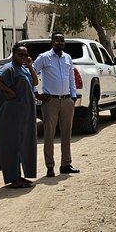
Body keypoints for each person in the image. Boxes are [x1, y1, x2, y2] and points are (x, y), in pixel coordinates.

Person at [0, 45, 39, 188]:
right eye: (20, 55)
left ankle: (20, 176)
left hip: (24, 114)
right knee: (12, 145)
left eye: (25, 55)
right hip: (12, 114)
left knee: (23, 144)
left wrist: (30, 67)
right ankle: (13, 178)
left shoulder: (23, 68)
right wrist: (8, 90)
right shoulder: (9, 68)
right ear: (13, 54)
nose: (23, 58)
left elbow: (35, 82)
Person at [33, 33, 79, 178]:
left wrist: (73, 95)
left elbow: (71, 77)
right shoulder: (44, 57)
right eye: (57, 40)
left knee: (66, 133)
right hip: (50, 101)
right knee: (49, 134)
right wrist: (37, 94)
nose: (59, 42)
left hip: (66, 100)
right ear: (52, 42)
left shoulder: (67, 58)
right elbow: (31, 73)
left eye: (62, 40)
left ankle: (66, 164)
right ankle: (50, 166)